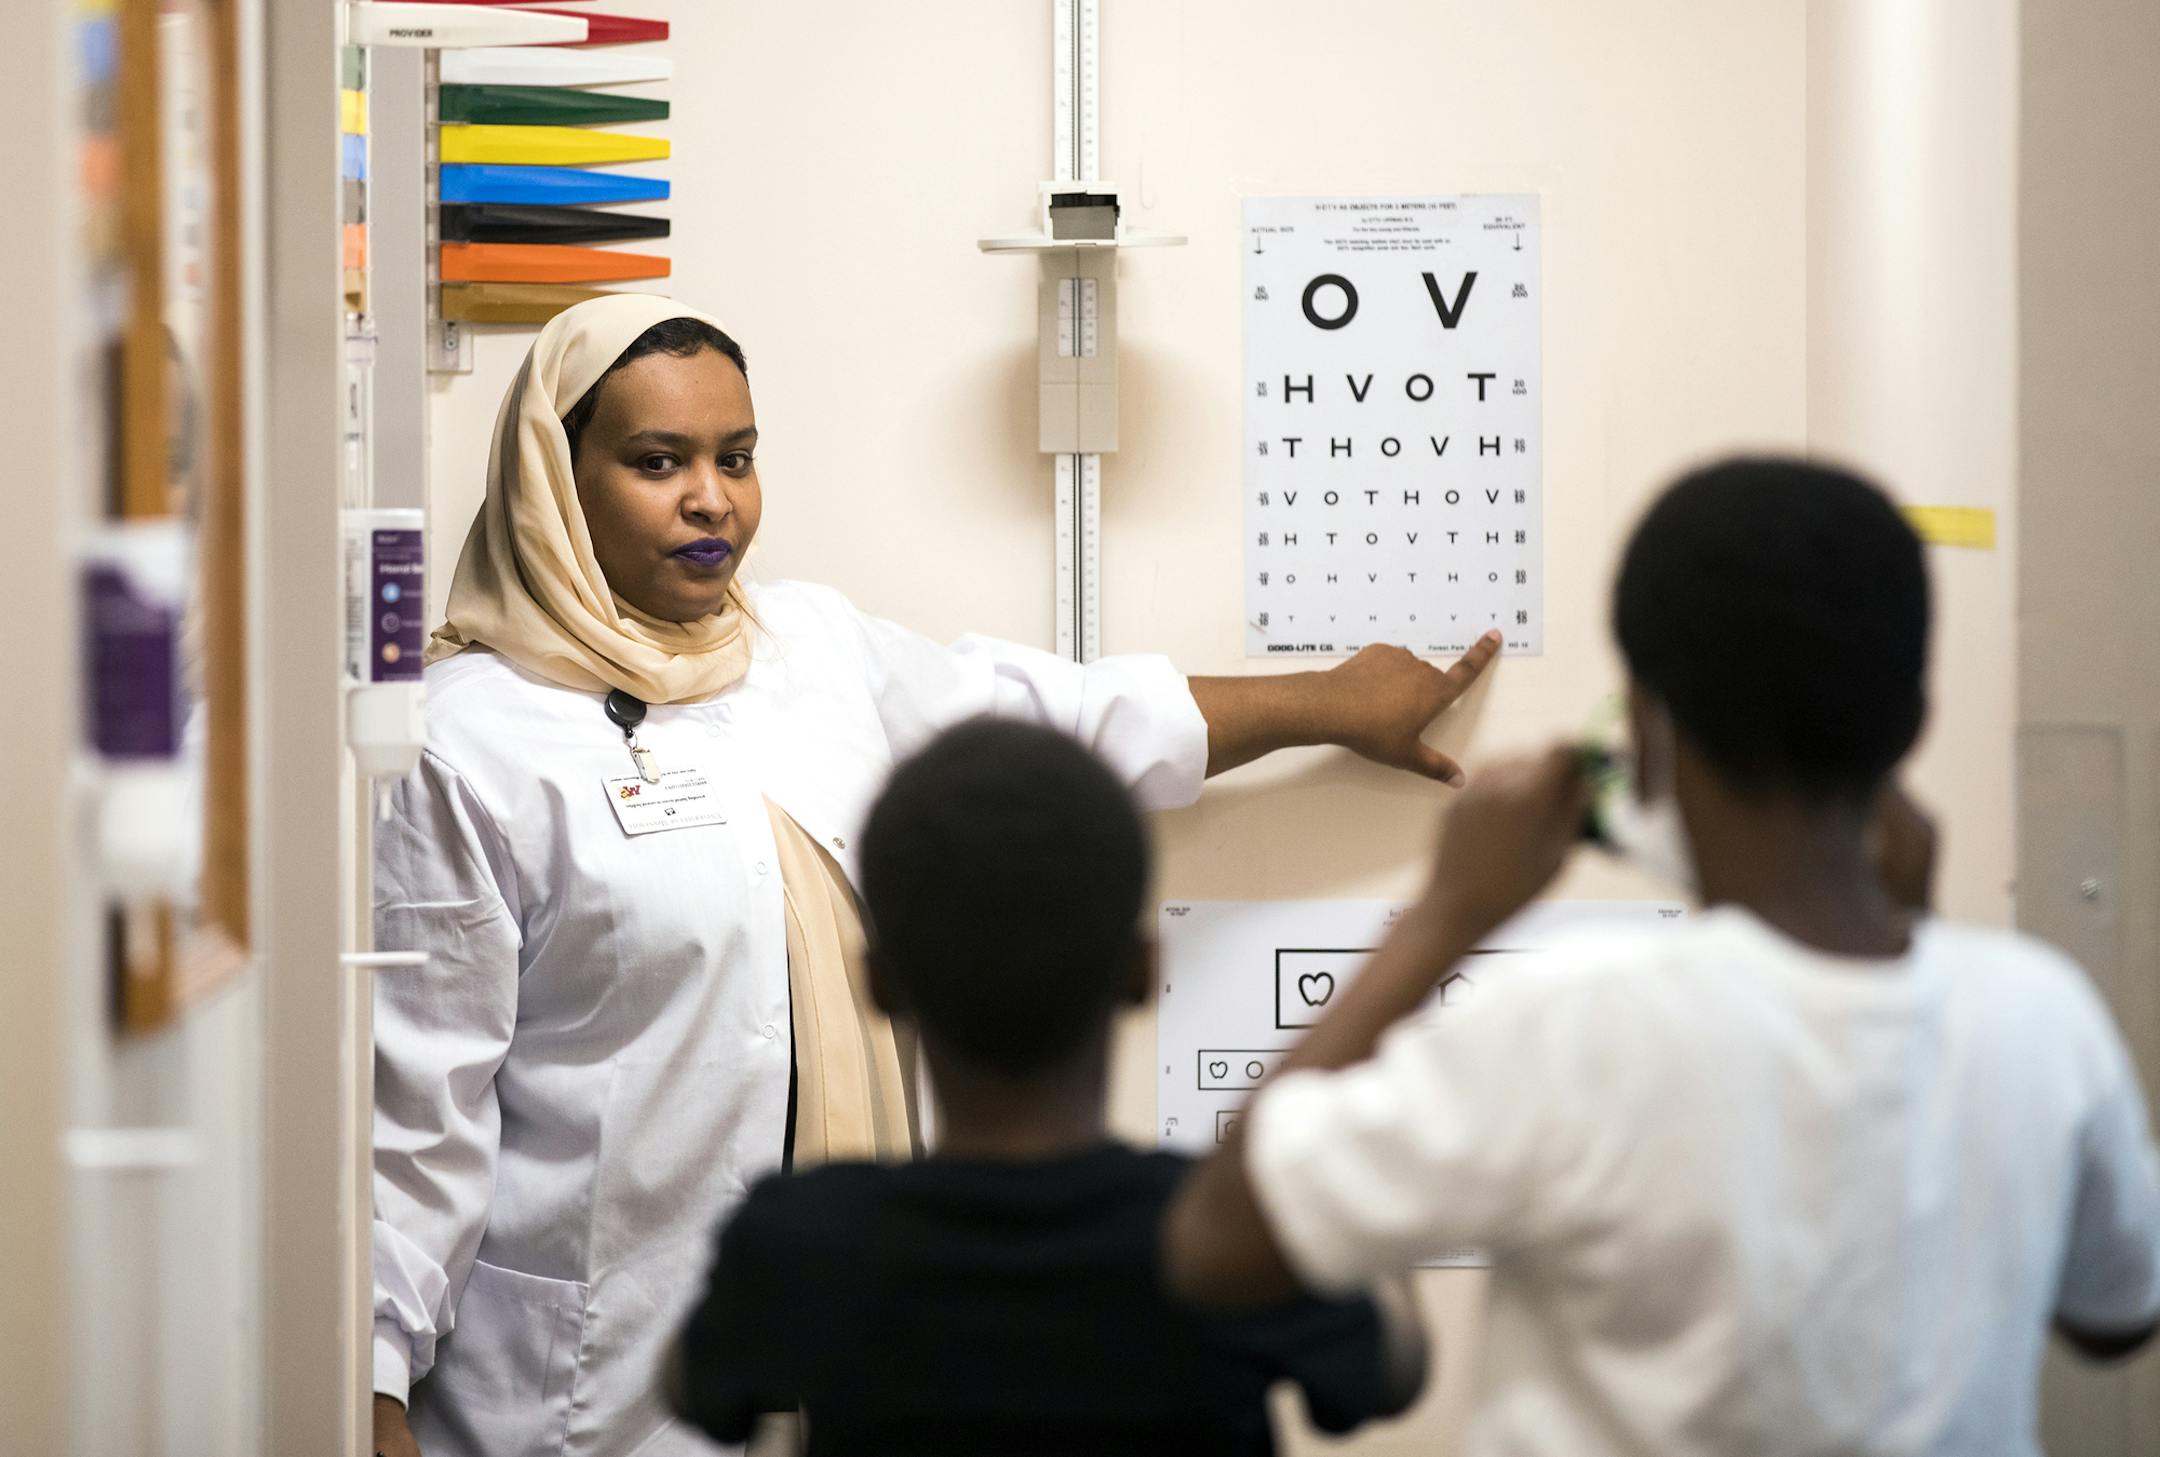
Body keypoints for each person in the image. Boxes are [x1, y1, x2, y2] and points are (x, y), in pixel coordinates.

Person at [371, 294, 1498, 1457]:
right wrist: (373, 1383)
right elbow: (416, 1110)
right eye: (659, 461)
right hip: (571, 1391)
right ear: (558, 476)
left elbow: (1064, 716)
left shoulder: (808, 650)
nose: (712, 498)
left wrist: (1326, 703)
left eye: (738, 457)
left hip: (837, 1385)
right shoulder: (467, 739)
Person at [1164, 458, 2160, 1456]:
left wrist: (1447, 914)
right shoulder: (2044, 1015)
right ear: (1910, 720)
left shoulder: (1570, 1026)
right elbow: (2115, 1316)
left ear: (1646, 726)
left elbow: (1217, 1242)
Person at [664, 718, 1428, 1455]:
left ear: (881, 985)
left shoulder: (802, 1238)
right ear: (1143, 972)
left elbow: (691, 1387)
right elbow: (1395, 1371)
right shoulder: (1223, 1237)